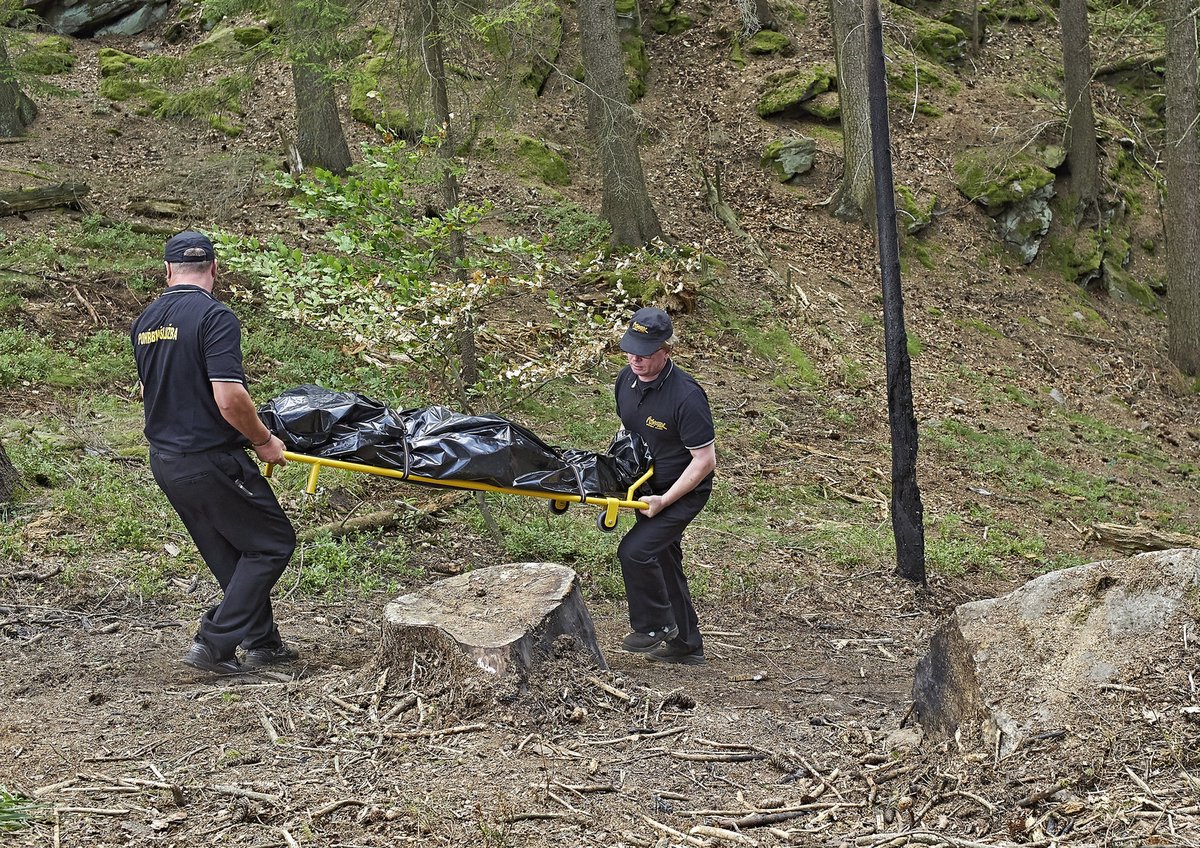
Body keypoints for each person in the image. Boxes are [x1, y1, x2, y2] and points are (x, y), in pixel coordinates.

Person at [132, 230, 298, 675]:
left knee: (230, 553)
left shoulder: (145, 321)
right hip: (210, 459)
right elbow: (229, 397)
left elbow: (149, 391)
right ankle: (213, 644)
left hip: (167, 461)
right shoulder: (214, 316)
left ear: (168, 271)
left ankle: (263, 642)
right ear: (214, 269)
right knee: (272, 544)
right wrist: (264, 440)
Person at [614, 307, 716, 666]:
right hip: (647, 485)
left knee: (636, 551)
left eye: (644, 352)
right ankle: (688, 645)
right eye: (630, 349)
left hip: (683, 490)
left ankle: (656, 625)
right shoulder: (625, 381)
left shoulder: (686, 396)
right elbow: (628, 431)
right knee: (663, 558)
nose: (635, 359)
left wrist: (665, 499)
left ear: (666, 350)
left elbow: (705, 461)